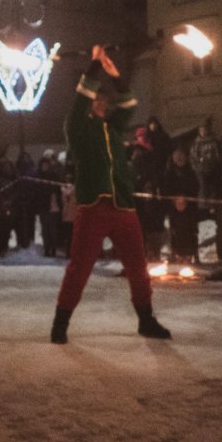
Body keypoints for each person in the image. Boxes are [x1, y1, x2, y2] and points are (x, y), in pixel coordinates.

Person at [50, 46, 170, 345]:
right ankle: (60, 323)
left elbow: (129, 106)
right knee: (80, 268)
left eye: (105, 97)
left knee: (138, 268)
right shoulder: (77, 127)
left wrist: (116, 77)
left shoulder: (113, 129)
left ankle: (146, 319)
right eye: (99, 97)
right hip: (94, 207)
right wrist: (93, 67)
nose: (104, 101)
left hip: (124, 207)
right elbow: (80, 100)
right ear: (91, 102)